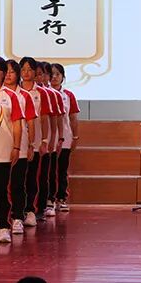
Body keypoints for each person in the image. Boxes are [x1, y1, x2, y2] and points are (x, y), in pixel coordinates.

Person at [1, 59, 36, 234]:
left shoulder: (24, 96)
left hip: (20, 146)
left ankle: (17, 218)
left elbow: (30, 122)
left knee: (17, 184)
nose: (8, 75)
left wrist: (30, 145)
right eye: (5, 71)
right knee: (0, 186)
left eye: (12, 71)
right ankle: (1, 221)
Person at [18, 56, 53, 224]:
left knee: (33, 177)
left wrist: (45, 140)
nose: (26, 73)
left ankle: (32, 210)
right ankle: (18, 212)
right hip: (17, 143)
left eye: (30, 70)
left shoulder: (42, 93)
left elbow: (45, 118)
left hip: (36, 142)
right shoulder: (14, 91)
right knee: (18, 179)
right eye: (23, 69)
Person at [50, 63, 79, 212]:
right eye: (52, 74)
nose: (54, 77)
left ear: (63, 77)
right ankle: (49, 199)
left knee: (62, 169)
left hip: (65, 138)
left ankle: (61, 198)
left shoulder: (68, 95)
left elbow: (73, 118)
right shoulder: (45, 93)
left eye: (58, 74)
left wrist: (75, 137)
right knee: (49, 170)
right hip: (48, 138)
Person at [36, 62, 64, 218]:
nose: (40, 76)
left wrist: (55, 139)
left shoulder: (51, 94)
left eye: (43, 73)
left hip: (46, 142)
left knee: (48, 173)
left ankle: (48, 201)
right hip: (30, 142)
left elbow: (56, 120)